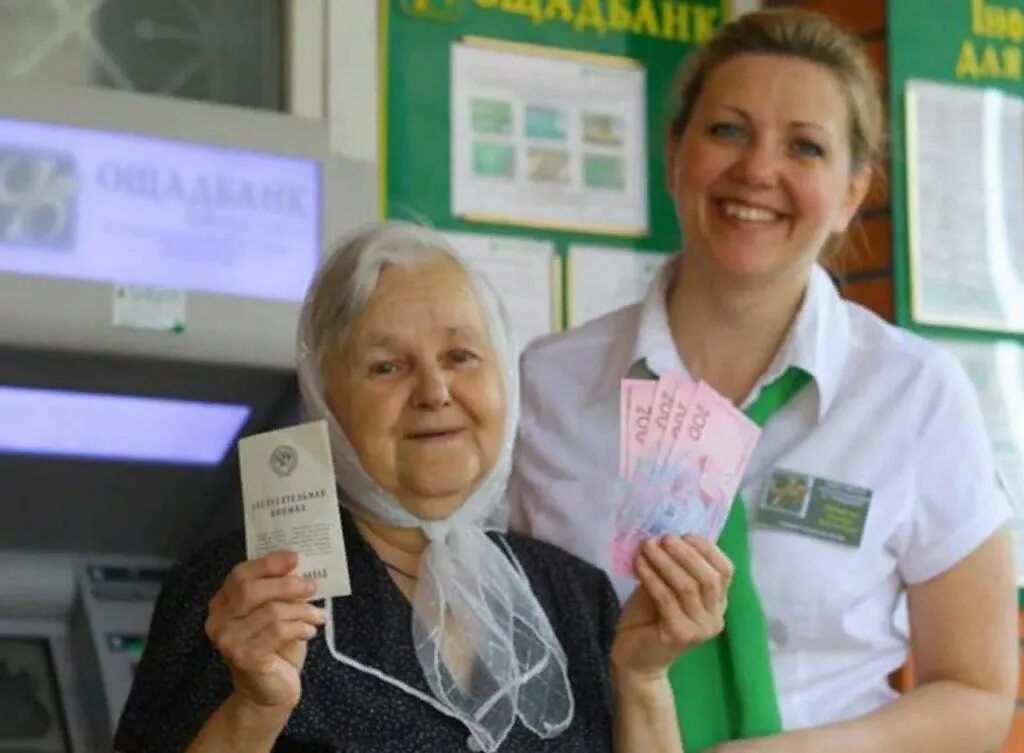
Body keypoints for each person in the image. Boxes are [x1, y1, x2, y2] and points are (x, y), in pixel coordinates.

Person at [508, 8, 1018, 753]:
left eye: (805, 146)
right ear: (674, 150)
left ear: (851, 192)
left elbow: (977, 695)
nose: (758, 170)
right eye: (727, 131)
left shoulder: (917, 394)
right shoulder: (547, 383)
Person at [113, 221, 734, 753]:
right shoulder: (241, 595)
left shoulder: (576, 597)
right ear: (327, 402)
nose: (435, 391)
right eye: (387, 367)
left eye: (462, 356)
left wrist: (643, 678)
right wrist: (252, 708)